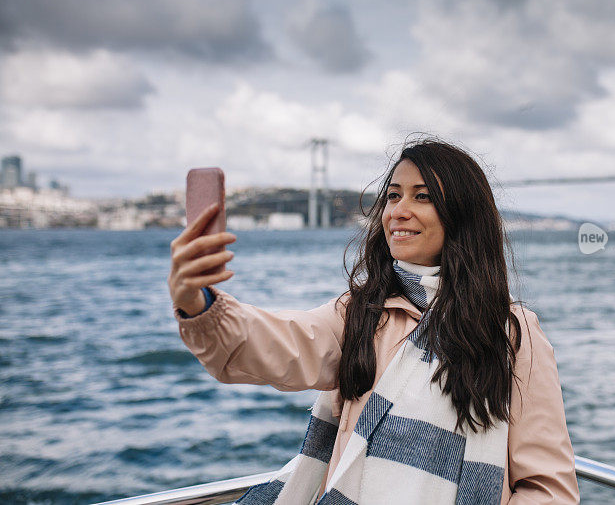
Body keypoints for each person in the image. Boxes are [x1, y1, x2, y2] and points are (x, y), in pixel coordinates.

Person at [168, 139, 580, 504]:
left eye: (421, 197)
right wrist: (200, 303)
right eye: (393, 196)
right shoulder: (361, 313)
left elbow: (548, 488)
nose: (398, 212)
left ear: (462, 214)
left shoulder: (511, 333)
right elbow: (280, 343)